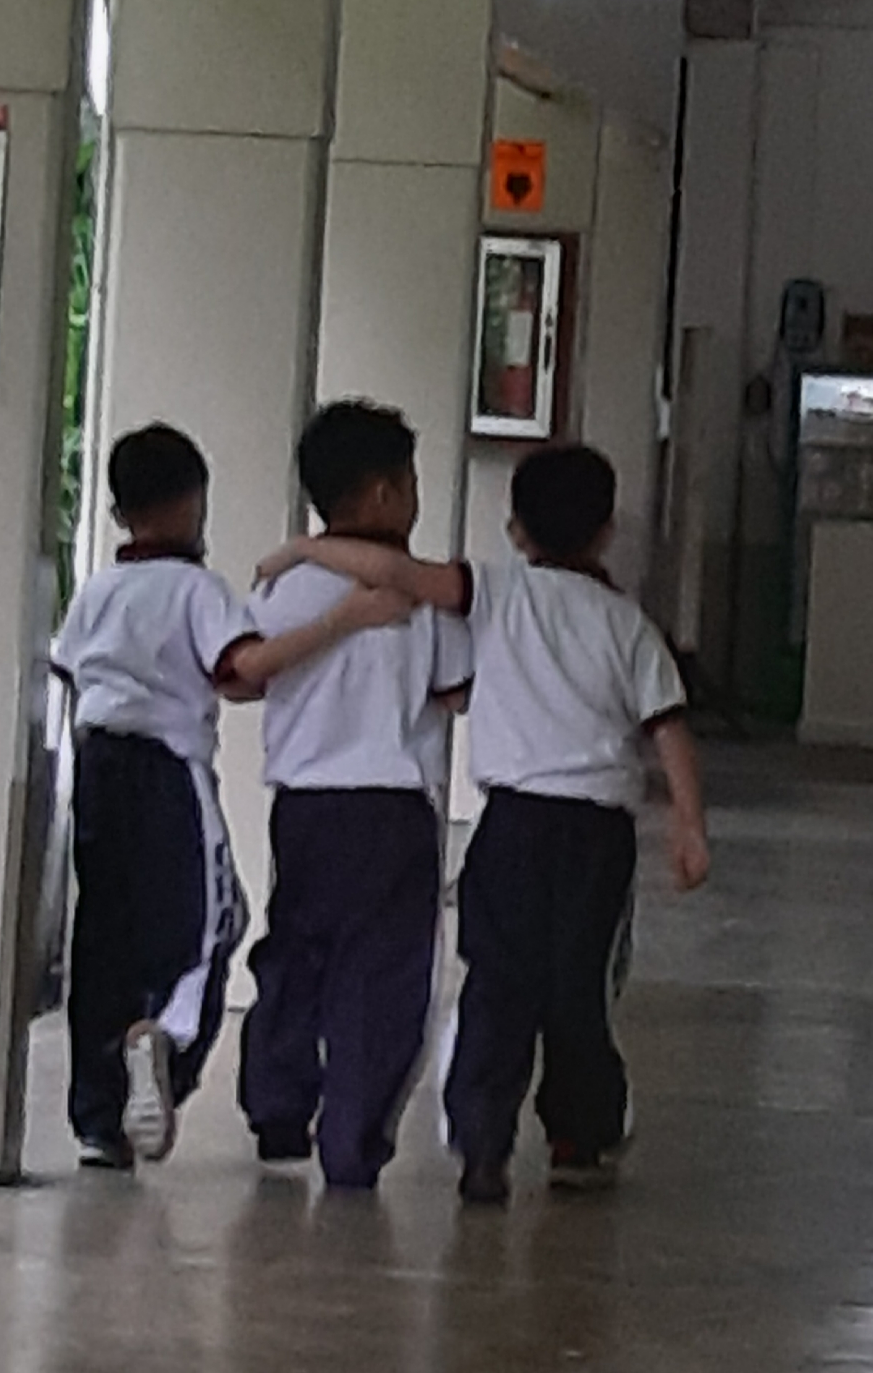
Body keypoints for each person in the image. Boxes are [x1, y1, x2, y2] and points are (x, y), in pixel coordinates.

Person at [260, 443, 710, 1207]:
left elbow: (396, 572)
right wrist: (689, 825)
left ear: (515, 530)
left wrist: (305, 549)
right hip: (596, 833)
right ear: (605, 531)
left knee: (497, 980)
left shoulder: (494, 591)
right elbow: (668, 726)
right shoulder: (629, 625)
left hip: (511, 824)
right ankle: (578, 1134)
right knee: (579, 985)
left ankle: (481, 1139)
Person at [50, 423, 410, 1173]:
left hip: (96, 766)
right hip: (169, 773)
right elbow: (243, 669)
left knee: (104, 935)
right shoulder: (197, 589)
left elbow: (69, 668)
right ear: (195, 502)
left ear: (117, 512)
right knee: (214, 925)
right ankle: (168, 1043)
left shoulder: (98, 590)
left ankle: (97, 1117)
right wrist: (340, 620)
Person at [237, 401, 473, 1192]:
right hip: (390, 811)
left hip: (303, 806)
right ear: (381, 494)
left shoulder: (286, 586)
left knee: (296, 950)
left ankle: (277, 1107)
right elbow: (454, 692)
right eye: (410, 483)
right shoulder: (421, 597)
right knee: (382, 978)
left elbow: (244, 670)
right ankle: (352, 1137)